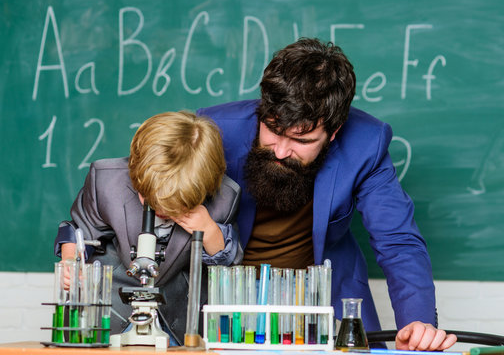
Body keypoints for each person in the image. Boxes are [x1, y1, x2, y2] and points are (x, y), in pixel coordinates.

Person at [197, 38, 457, 350]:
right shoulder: (212, 129)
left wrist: (419, 323)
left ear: (333, 132)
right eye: (272, 130)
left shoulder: (366, 143)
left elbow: (398, 241)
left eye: (301, 140)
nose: (280, 151)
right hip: (221, 304)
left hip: (319, 308)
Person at [53, 111, 242, 345]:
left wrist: (208, 229)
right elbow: (79, 231)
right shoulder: (106, 181)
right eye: (149, 200)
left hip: (178, 321)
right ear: (134, 172)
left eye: (176, 207)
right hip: (111, 314)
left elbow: (227, 262)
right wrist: (71, 261)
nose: (162, 213)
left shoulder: (225, 198)